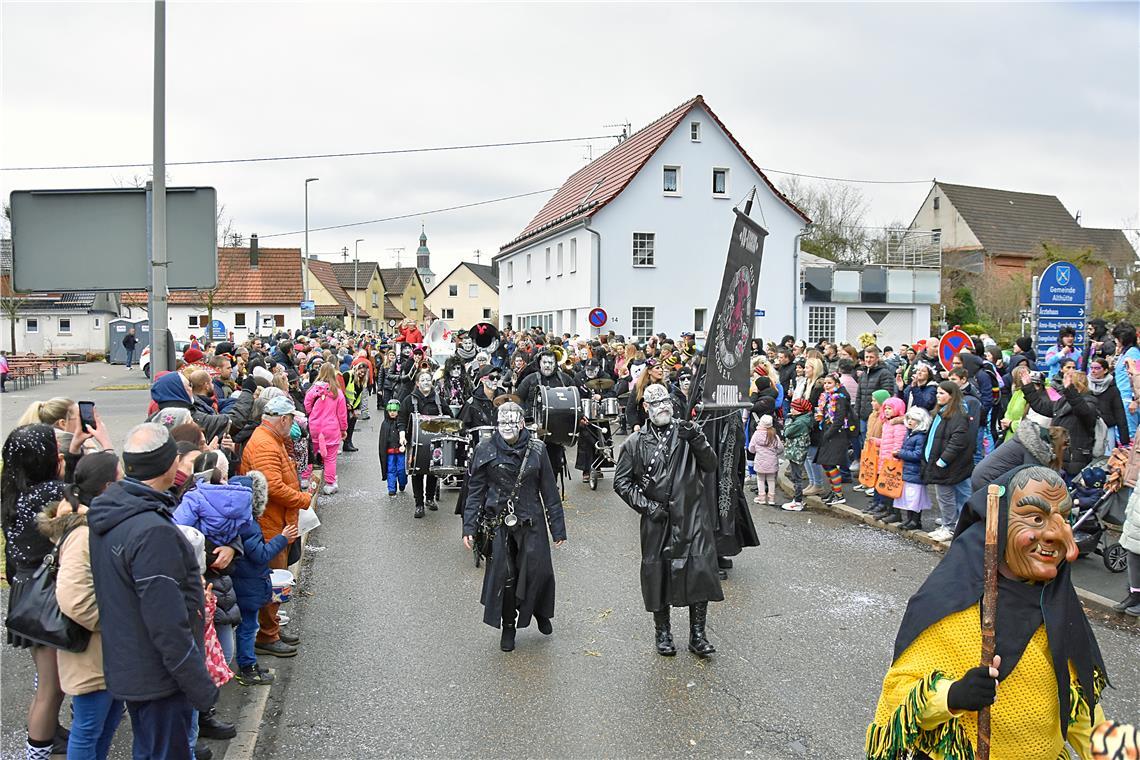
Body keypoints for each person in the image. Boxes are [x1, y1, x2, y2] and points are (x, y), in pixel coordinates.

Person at [865, 466, 1108, 760]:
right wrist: (952, 695)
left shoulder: (1059, 606)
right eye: (1036, 518)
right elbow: (899, 695)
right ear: (999, 524)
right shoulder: (949, 604)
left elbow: (1083, 712)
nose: (1066, 543)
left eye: (1065, 518)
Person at [87, 423, 218, 760]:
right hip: (160, 675)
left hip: (131, 664)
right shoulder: (151, 530)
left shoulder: (113, 511)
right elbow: (166, 622)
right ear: (169, 465)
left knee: (148, 749)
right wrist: (199, 684)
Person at [613, 383, 721, 657]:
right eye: (656, 403)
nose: (662, 407)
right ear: (646, 408)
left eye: (666, 402)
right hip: (657, 520)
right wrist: (648, 507)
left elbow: (710, 465)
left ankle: (698, 635)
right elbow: (622, 483)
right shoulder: (634, 443)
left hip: (692, 515)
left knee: (699, 573)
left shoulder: (687, 432)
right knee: (656, 575)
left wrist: (697, 438)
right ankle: (663, 633)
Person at [461, 402, 566, 652]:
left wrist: (558, 528)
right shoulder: (485, 448)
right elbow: (475, 491)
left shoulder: (538, 449)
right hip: (500, 523)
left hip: (532, 520)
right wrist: (469, 526)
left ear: (522, 423)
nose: (507, 427)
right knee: (506, 577)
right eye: (502, 422)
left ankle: (539, 610)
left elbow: (549, 491)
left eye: (512, 422)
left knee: (538, 571)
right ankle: (509, 626)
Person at [43, 452, 125, 759]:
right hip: (91, 652)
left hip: (106, 650)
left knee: (107, 722)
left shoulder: (93, 522)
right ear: (106, 487)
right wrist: (114, 621)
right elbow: (74, 598)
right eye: (120, 479)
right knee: (89, 727)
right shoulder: (83, 532)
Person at [2, 424, 69, 760]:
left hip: (26, 591)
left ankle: (45, 741)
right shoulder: (51, 494)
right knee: (51, 687)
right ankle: (37, 753)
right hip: (46, 595)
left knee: (47, 681)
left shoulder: (13, 492)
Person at [240, 396, 315, 658]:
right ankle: (267, 635)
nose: (294, 423)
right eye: (291, 419)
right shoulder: (265, 444)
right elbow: (273, 487)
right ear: (283, 419)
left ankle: (271, 630)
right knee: (271, 581)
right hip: (270, 524)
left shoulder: (271, 440)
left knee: (274, 580)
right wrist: (304, 499)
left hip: (277, 521)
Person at [923, 381, 973, 542]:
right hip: (949, 464)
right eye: (937, 393)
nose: (938, 396)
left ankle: (949, 527)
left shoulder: (957, 415)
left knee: (946, 497)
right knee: (959, 495)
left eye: (942, 393)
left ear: (952, 396)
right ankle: (954, 524)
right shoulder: (942, 413)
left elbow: (957, 441)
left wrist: (942, 461)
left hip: (949, 465)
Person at [398, 369, 451, 518]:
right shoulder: (410, 400)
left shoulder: (439, 400)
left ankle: (430, 498)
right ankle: (419, 504)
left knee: (433, 471)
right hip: (416, 444)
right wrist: (402, 434)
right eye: (423, 380)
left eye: (428, 379)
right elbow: (401, 419)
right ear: (417, 383)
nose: (426, 382)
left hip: (435, 443)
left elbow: (449, 417)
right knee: (417, 472)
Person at [304, 363, 348, 495]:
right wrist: (343, 429)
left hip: (314, 426)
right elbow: (342, 414)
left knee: (310, 453)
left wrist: (313, 413)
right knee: (330, 457)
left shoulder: (313, 390)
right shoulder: (337, 393)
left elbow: (306, 405)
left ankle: (305, 478)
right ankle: (330, 484)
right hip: (331, 428)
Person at [814, 373, 851, 506]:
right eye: (825, 383)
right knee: (826, 463)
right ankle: (834, 491)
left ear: (836, 384)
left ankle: (839, 494)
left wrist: (828, 433)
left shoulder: (839, 398)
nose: (826, 385)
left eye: (829, 383)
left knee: (830, 463)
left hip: (836, 435)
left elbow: (839, 420)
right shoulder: (826, 397)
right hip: (827, 432)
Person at [892, 407, 931, 530]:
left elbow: (918, 455)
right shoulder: (911, 434)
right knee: (909, 497)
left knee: (915, 498)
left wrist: (900, 453)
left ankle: (915, 521)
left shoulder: (920, 437)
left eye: (913, 419)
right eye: (909, 418)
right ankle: (910, 519)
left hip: (915, 471)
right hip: (909, 470)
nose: (910, 421)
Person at [874, 397, 908, 524]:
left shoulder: (899, 426)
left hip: (892, 462)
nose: (887, 411)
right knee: (886, 487)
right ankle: (888, 510)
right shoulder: (887, 423)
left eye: (890, 408)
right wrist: (877, 442)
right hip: (885, 459)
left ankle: (895, 513)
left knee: (892, 488)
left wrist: (894, 459)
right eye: (886, 408)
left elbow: (898, 444)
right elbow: (886, 441)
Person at [1089, 356, 1130, 452]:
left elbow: (1120, 414)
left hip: (1108, 428)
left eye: (1097, 368)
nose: (1093, 371)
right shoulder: (1086, 386)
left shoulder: (1113, 389)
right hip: (1090, 427)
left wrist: (1125, 441)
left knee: (1106, 458)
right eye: (1092, 368)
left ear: (1105, 370)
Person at [780, 397, 814, 512]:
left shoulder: (800, 422)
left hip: (796, 452)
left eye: (794, 408)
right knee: (796, 476)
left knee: (797, 478)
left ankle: (797, 501)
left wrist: (789, 420)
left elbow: (787, 432)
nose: (791, 410)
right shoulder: (805, 419)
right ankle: (797, 500)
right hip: (797, 451)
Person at [747, 415, 782, 506]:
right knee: (771, 480)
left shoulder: (756, 434)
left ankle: (761, 497)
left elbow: (751, 448)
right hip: (772, 461)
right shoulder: (774, 435)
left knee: (760, 479)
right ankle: (771, 498)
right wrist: (775, 453)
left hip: (760, 461)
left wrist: (756, 451)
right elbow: (780, 448)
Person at [1114, 322, 1140, 440]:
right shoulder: (1123, 353)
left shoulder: (1133, 353)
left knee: (1130, 436)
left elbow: (1136, 376)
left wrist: (1135, 400)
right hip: (1121, 399)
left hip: (1129, 401)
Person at [378, 400, 407, 497]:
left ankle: (402, 483)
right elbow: (382, 441)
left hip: (401, 452)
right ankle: (391, 489)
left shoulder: (402, 424)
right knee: (391, 470)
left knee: (402, 469)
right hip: (390, 452)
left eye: (395, 410)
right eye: (390, 411)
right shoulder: (385, 424)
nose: (392, 413)